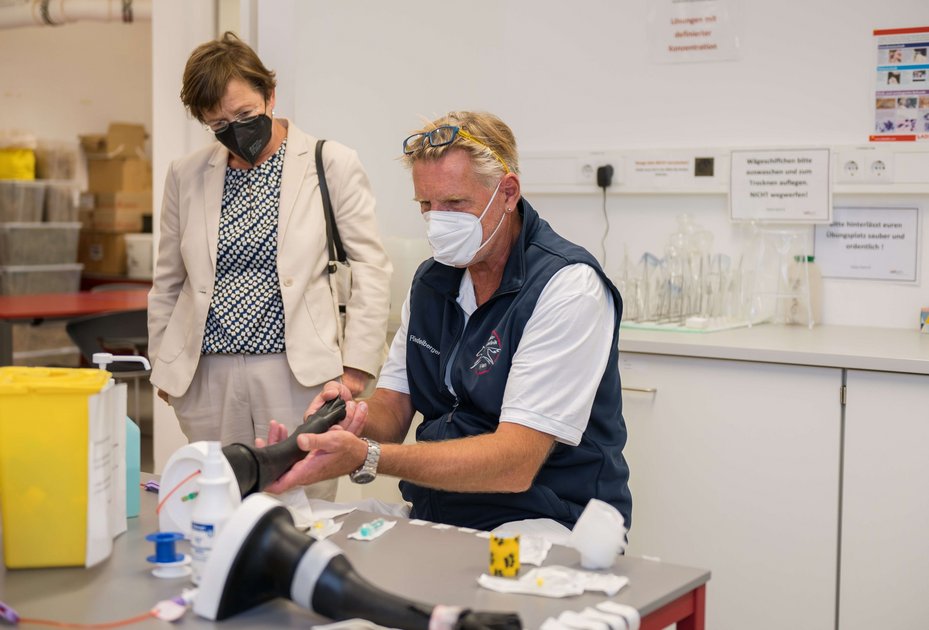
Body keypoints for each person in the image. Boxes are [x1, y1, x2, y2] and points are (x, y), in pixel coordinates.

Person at [264, 111, 632, 533]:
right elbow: (394, 405)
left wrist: (368, 456)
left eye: (455, 204)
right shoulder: (432, 282)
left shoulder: (566, 287)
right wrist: (352, 420)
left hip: (547, 519)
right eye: (426, 204)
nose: (438, 220)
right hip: (440, 512)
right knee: (304, 542)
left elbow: (515, 463)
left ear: (508, 193)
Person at [148, 32, 392, 501]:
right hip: (207, 376)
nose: (235, 130)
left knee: (303, 510)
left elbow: (370, 267)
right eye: (218, 123)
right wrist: (165, 364)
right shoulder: (186, 175)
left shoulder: (330, 163)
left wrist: (357, 367)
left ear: (270, 96)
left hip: (298, 375)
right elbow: (168, 281)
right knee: (215, 506)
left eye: (244, 115)